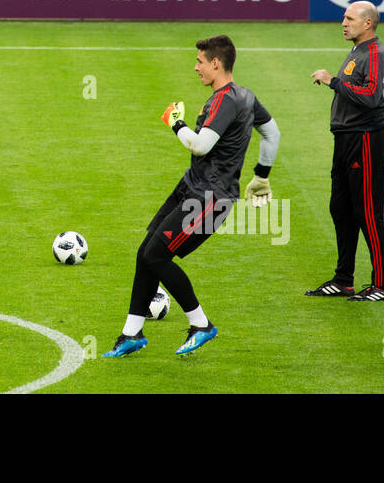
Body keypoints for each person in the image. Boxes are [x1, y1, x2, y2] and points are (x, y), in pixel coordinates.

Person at [102, 34, 281, 358]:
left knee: (156, 256)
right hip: (191, 187)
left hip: (209, 197)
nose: (195, 67)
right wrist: (261, 176)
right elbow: (272, 132)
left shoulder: (227, 100)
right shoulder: (246, 97)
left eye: (200, 61)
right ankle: (131, 334)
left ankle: (201, 325)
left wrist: (175, 122)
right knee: (147, 252)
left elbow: (200, 145)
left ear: (216, 63)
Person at [306, 2, 384, 301]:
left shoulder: (376, 54)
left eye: (350, 18)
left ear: (367, 23)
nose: (343, 22)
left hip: (366, 139)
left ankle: (383, 285)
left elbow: (373, 97)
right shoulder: (359, 51)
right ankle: (343, 279)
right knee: (341, 208)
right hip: (347, 139)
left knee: (368, 212)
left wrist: (333, 81)